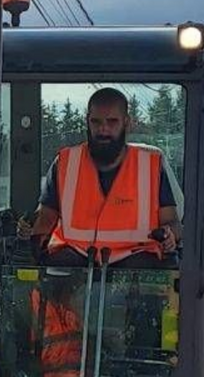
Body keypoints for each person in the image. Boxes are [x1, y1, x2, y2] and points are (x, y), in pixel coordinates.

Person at [21, 88, 179, 263]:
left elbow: (172, 222)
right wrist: (29, 227)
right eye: (96, 122)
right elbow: (45, 218)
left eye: (112, 122)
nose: (103, 129)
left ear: (127, 123)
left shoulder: (151, 167)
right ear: (87, 121)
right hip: (75, 263)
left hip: (136, 264)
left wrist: (169, 235)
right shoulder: (65, 163)